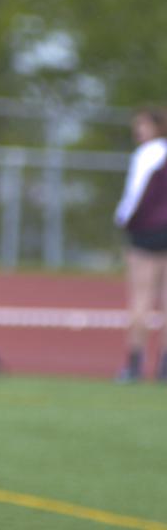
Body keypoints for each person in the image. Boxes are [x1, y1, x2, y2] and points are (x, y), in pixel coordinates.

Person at [114, 106, 167, 382]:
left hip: (146, 232)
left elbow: (134, 194)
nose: (138, 131)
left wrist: (122, 219)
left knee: (141, 299)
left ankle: (134, 364)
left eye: (142, 125)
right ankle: (164, 368)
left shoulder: (147, 154)